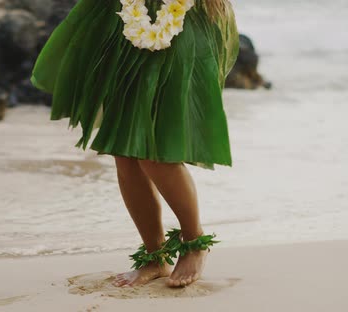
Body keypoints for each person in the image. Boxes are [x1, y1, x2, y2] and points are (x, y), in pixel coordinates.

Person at [31, 0, 239, 288]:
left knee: (156, 153)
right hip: (122, 22)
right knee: (125, 152)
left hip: (179, 26)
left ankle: (194, 241)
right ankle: (156, 257)